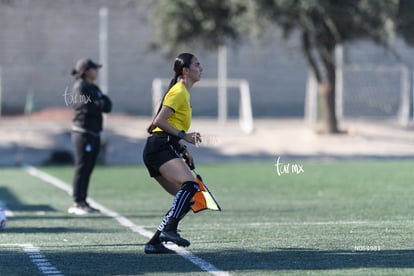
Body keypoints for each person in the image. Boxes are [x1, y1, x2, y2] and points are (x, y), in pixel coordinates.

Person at [143, 53, 203, 254]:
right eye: (197, 64)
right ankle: (169, 229)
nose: (200, 68)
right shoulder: (179, 92)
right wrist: (184, 137)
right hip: (160, 147)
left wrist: (182, 149)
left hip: (160, 148)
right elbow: (158, 122)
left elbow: (165, 125)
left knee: (187, 198)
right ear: (185, 71)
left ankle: (154, 242)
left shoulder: (183, 92)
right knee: (191, 185)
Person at [68, 58, 112, 215]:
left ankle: (83, 201)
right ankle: (77, 202)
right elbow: (84, 107)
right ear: (86, 71)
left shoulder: (93, 87)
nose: (97, 71)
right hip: (83, 132)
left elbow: (107, 106)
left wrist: (98, 103)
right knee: (82, 167)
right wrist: (98, 103)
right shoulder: (80, 87)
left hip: (94, 133)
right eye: (94, 69)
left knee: (88, 168)